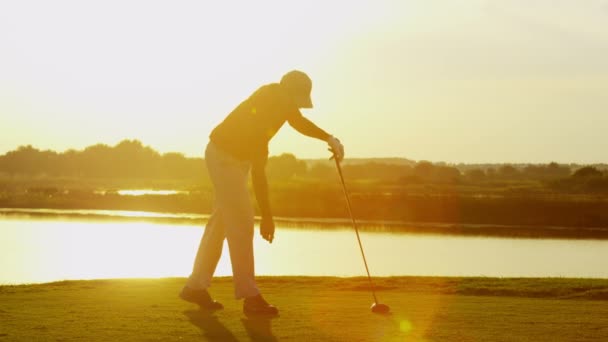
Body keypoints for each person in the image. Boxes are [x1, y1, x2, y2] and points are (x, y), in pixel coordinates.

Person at [179, 70, 344, 316]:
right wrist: (267, 217)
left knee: (220, 224)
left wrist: (329, 137)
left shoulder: (277, 102)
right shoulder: (266, 106)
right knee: (242, 223)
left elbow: (298, 121)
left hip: (231, 159)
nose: (295, 108)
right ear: (288, 93)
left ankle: (195, 287)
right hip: (224, 158)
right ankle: (250, 297)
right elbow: (259, 177)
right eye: (295, 100)